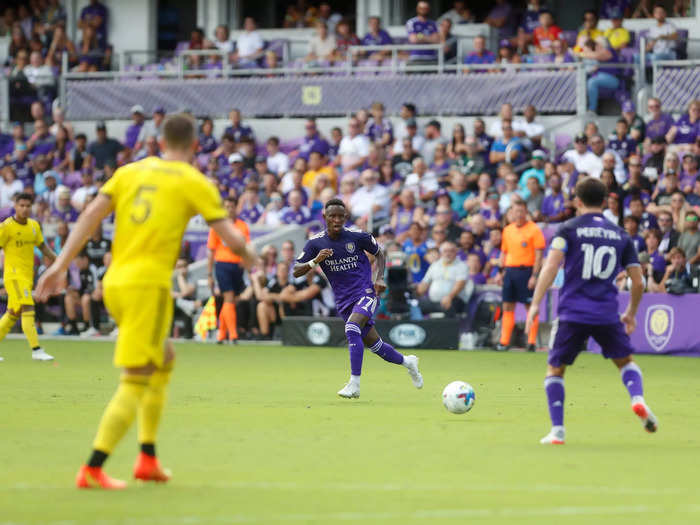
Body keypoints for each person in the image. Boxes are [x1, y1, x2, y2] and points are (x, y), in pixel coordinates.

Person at [36, 113, 257, 489]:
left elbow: (90, 214)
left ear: (159, 141)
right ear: (194, 145)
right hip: (147, 287)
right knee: (136, 378)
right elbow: (232, 239)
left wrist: (60, 264)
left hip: (116, 283)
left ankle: (147, 458)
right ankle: (93, 467)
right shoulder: (194, 181)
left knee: (164, 359)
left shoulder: (129, 172)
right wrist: (253, 262)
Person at [526, 177, 657, 445]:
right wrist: (631, 312)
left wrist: (536, 303)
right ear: (606, 199)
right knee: (626, 362)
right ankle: (638, 399)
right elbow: (638, 280)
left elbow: (550, 267)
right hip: (606, 313)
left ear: (577, 200)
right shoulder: (621, 234)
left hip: (573, 312)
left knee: (555, 370)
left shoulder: (568, 229)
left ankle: (558, 431)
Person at [293, 198, 423, 399]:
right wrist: (315, 261)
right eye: (332, 216)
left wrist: (378, 277)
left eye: (340, 216)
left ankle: (354, 384)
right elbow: (296, 271)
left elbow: (380, 253)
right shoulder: (315, 243)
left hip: (365, 293)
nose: (337, 220)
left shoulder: (358, 236)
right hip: (343, 301)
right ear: (324, 217)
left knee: (351, 328)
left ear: (345, 217)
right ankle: (408, 363)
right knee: (375, 345)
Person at [0, 193, 57, 362]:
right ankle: (36, 350)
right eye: (21, 205)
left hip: (27, 276)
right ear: (15, 206)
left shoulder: (33, 226)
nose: (25, 209)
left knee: (12, 314)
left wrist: (59, 261)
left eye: (27, 206)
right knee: (28, 307)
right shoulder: (6, 227)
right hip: (14, 276)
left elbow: (43, 247)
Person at [497, 200, 545, 352]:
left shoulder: (534, 230)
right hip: (510, 271)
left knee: (529, 306)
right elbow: (504, 252)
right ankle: (504, 342)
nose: (518, 214)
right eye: (515, 211)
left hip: (526, 271)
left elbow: (539, 256)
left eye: (521, 211)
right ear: (511, 212)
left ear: (526, 212)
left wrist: (535, 276)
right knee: (507, 305)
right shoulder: (508, 230)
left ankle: (531, 342)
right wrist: (500, 272)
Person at [207, 196, 251, 344]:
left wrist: (246, 263)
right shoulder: (217, 227)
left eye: (232, 206)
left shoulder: (242, 226)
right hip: (222, 264)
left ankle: (221, 334)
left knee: (230, 300)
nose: (229, 209)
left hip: (237, 266)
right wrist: (209, 274)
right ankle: (233, 335)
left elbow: (246, 246)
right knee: (229, 297)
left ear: (235, 208)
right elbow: (211, 251)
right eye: (226, 206)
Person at [416, 240, 469, 317]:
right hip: (434, 300)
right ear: (441, 253)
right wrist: (417, 293)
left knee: (448, 306)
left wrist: (449, 297)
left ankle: (447, 329)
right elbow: (425, 282)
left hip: (454, 299)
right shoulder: (435, 265)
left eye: (451, 251)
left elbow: (460, 284)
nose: (448, 253)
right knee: (416, 306)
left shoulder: (461, 266)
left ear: (456, 252)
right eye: (445, 251)